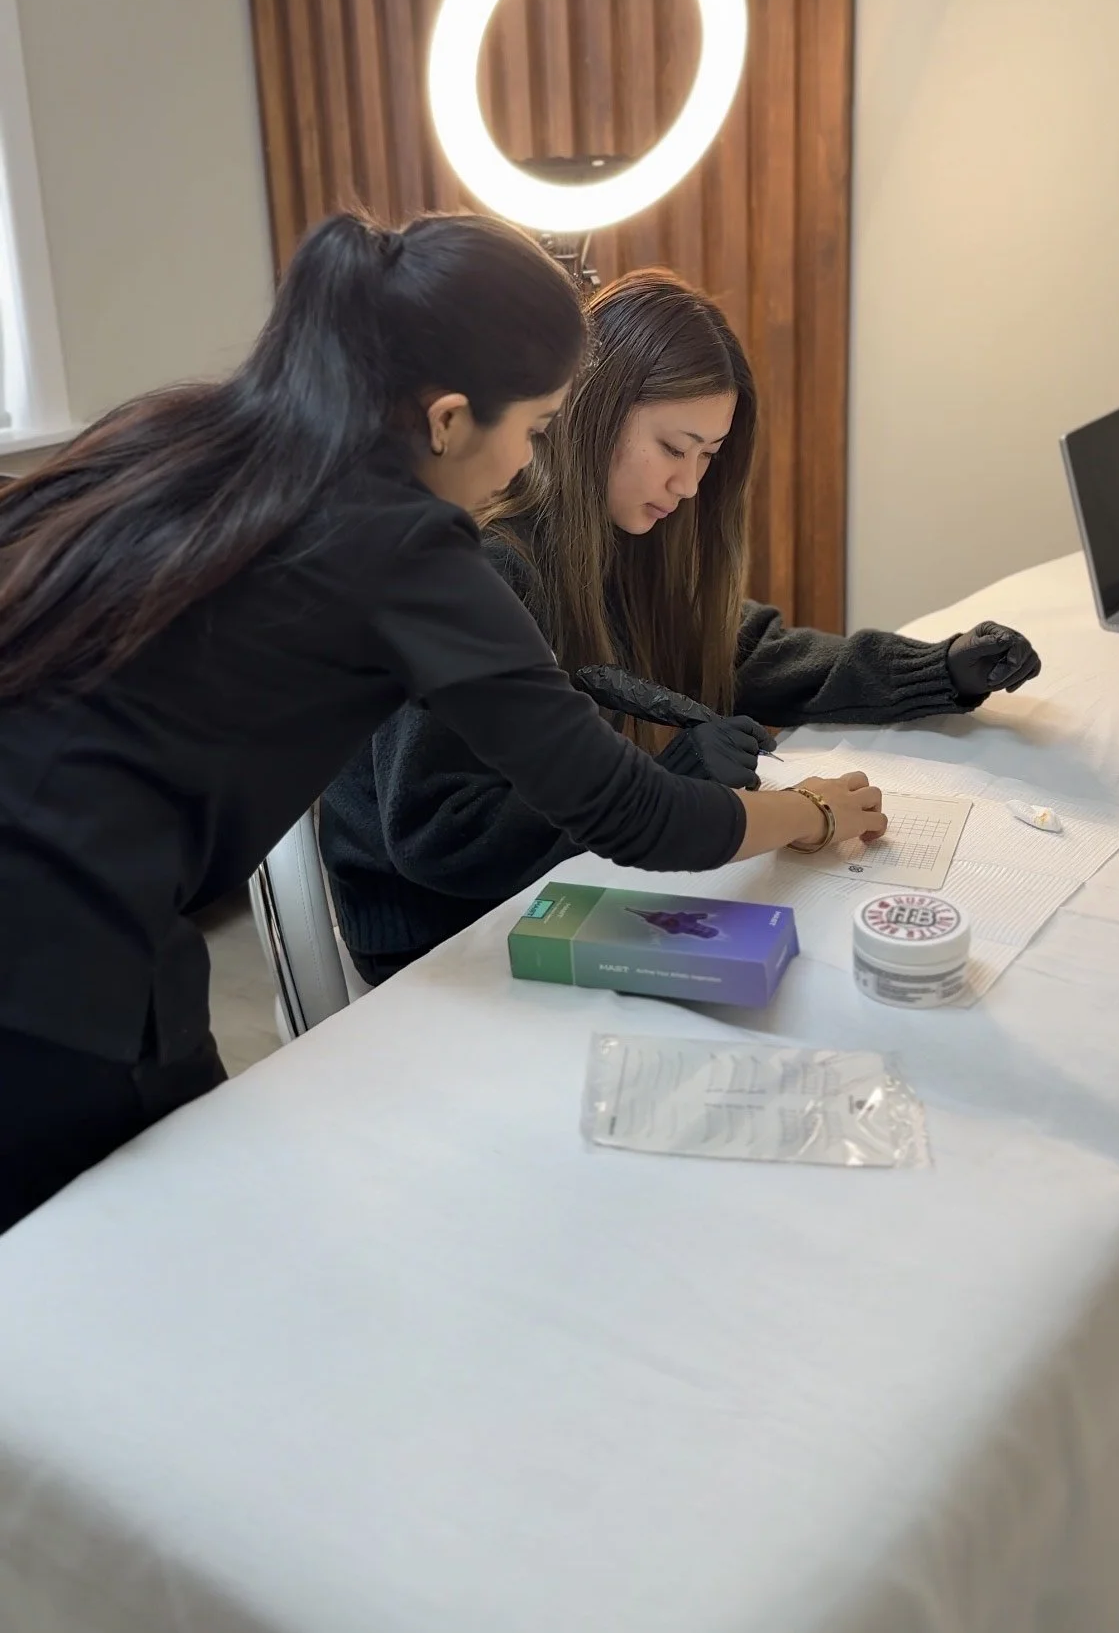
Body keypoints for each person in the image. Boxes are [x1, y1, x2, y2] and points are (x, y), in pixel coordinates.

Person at [0, 217, 882, 1234]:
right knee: (160, 1239)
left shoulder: (192, 427)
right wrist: (803, 812)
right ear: (452, 417)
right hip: (62, 949)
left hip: (68, 894)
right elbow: (625, 809)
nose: (528, 463)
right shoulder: (407, 550)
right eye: (538, 426)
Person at [321, 270, 1040, 986]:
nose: (691, 484)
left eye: (709, 456)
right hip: (442, 938)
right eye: (674, 448)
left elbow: (744, 648)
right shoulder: (488, 566)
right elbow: (442, 833)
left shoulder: (619, 533)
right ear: (593, 411)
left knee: (804, 961)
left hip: (555, 877)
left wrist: (938, 667)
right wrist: (662, 787)